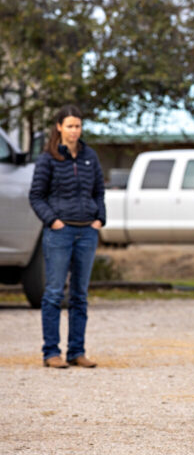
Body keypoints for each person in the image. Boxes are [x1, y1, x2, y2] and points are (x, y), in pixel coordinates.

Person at [29, 105, 106, 369]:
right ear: (59, 127)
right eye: (70, 126)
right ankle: (51, 352)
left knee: (80, 295)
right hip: (60, 233)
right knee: (53, 293)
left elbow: (99, 192)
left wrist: (100, 219)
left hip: (87, 231)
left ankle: (77, 351)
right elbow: (36, 196)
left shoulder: (90, 157)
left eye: (78, 126)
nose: (75, 131)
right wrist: (54, 221)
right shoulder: (48, 159)